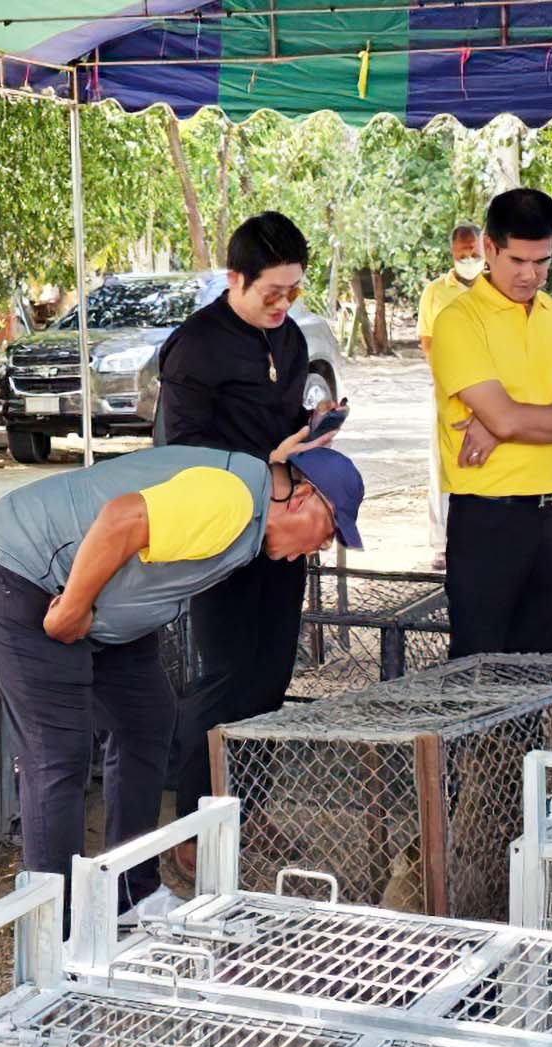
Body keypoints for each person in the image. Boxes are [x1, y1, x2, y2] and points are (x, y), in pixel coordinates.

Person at [0, 442, 363, 925]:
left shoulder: (251, 503)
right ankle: (54, 934)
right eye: (329, 532)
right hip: (24, 573)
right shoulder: (232, 500)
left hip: (101, 603)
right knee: (58, 753)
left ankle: (131, 895)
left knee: (147, 720)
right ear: (302, 499)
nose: (320, 548)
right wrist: (71, 608)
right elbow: (122, 519)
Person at [156, 212, 335, 878]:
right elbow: (182, 451)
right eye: (272, 292)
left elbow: (283, 417)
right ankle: (190, 823)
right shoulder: (195, 347)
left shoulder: (286, 339)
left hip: (279, 528)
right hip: (219, 530)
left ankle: (247, 805)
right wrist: (268, 459)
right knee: (224, 674)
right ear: (234, 278)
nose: (283, 305)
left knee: (271, 671)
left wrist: (315, 427)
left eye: (293, 292)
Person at [429, 188, 552, 658]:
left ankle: (531, 736)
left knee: (540, 664)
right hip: (489, 518)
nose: (530, 274)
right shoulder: (458, 320)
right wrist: (524, 417)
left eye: (542, 261)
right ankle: (476, 739)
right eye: (517, 260)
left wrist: (503, 424)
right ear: (488, 248)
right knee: (479, 670)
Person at [418, 224, 484, 570]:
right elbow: (427, 341)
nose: (468, 259)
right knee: (443, 465)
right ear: (452, 254)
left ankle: (483, 538)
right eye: (462, 255)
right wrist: (447, 381)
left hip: (492, 392)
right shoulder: (435, 292)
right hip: (448, 392)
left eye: (474, 253)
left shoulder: (496, 289)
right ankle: (442, 544)